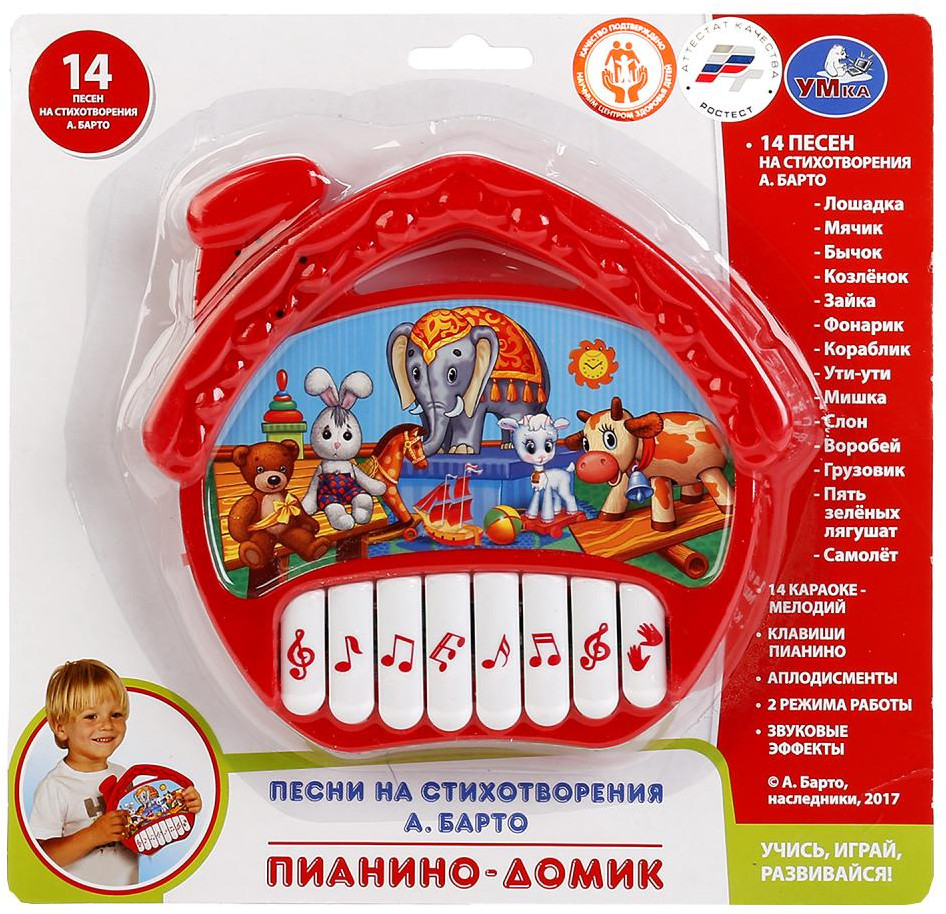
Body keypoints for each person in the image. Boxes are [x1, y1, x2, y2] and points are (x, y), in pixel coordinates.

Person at [28, 660, 202, 886]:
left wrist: (180, 805)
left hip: (126, 896)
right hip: (76, 899)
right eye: (91, 716)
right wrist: (93, 835)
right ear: (60, 727)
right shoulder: (56, 786)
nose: (107, 725)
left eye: (116, 714)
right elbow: (41, 857)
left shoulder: (124, 777)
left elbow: (145, 839)